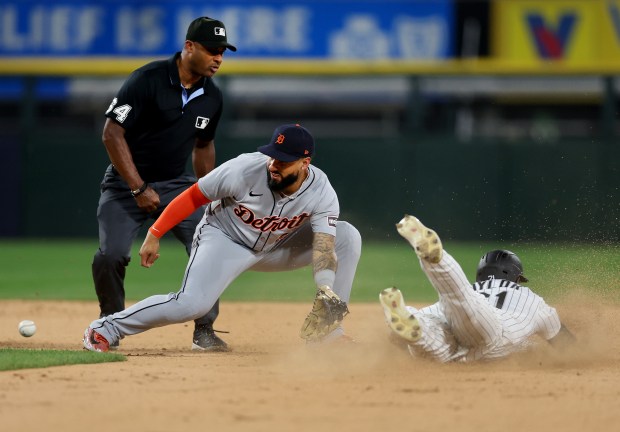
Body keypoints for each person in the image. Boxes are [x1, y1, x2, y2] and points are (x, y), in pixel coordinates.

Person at [83, 124, 362, 352]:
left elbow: (325, 245)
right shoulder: (243, 170)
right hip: (225, 240)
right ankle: (105, 328)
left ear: (305, 163)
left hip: (278, 246)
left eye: (284, 161)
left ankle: (328, 332)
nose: (274, 164)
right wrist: (155, 233)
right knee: (192, 304)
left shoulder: (321, 191)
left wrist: (326, 290)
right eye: (273, 155)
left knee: (347, 235)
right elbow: (192, 197)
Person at [92, 17, 237, 352]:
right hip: (124, 186)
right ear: (189, 47)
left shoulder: (212, 97)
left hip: (177, 184)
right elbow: (111, 134)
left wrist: (208, 193)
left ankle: (204, 330)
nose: (218, 57)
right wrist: (138, 188)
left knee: (210, 245)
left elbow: (203, 145)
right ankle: (110, 324)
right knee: (110, 255)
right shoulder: (147, 80)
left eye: (222, 52)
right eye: (212, 50)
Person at [380, 214, 575, 363]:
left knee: (438, 334)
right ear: (515, 276)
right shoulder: (531, 298)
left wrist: (402, 333)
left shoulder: (475, 288)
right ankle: (435, 261)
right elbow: (566, 345)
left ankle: (416, 323)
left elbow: (436, 313)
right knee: (459, 299)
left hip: (459, 326)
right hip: (495, 330)